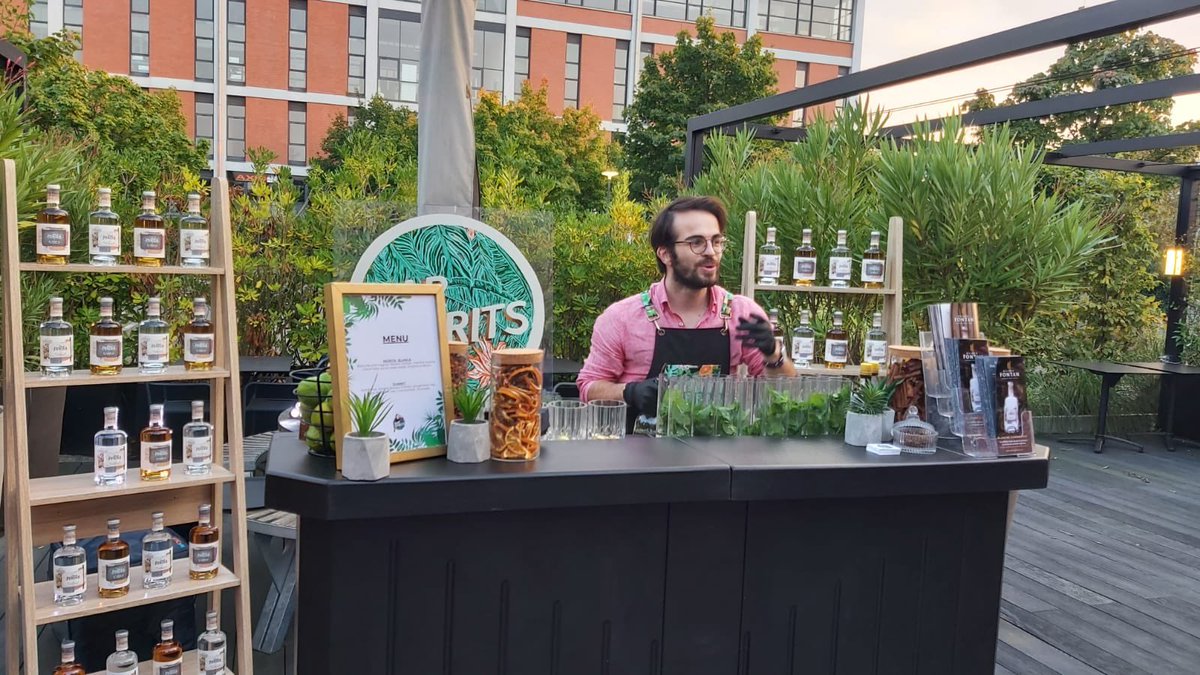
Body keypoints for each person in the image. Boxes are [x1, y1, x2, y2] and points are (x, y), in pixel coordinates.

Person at [577, 195, 795, 424]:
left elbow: (784, 395)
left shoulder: (740, 313)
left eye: (716, 241)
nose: (711, 251)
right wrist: (630, 392)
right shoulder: (621, 318)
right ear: (665, 254)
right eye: (696, 242)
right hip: (638, 455)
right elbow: (588, 387)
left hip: (716, 453)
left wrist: (773, 354)